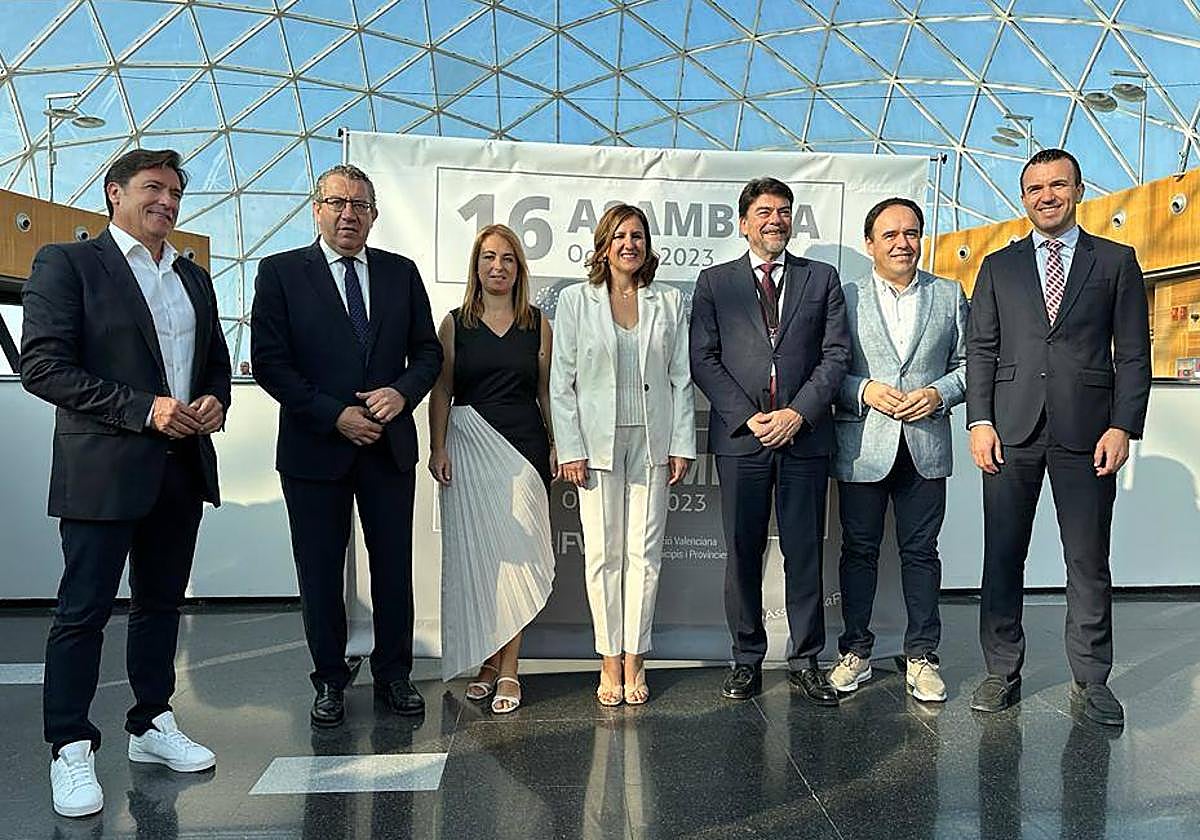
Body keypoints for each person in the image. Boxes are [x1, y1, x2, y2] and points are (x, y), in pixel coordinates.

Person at [20, 148, 231, 817]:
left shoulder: (193, 277)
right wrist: (145, 409)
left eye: (175, 193)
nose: (166, 202)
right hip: (104, 470)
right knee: (82, 613)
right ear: (115, 193)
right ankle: (70, 745)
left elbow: (215, 362)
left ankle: (150, 722)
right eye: (152, 188)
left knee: (160, 606)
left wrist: (214, 400)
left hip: (181, 466)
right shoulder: (69, 264)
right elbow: (42, 367)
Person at [251, 164, 442, 727]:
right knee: (319, 571)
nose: (348, 214)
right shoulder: (281, 273)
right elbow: (270, 363)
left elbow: (427, 352)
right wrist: (335, 416)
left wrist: (401, 393)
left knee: (393, 568)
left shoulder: (400, 273)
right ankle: (330, 680)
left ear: (374, 215)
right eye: (337, 202)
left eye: (360, 205)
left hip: (387, 444)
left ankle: (394, 674)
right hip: (314, 449)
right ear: (317, 210)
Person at [966, 148, 1151, 725]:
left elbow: (1134, 353)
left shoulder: (1115, 261)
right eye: (1035, 188)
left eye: (1058, 185)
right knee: (1003, 555)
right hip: (1010, 431)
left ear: (1078, 190)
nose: (1046, 196)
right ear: (1023, 198)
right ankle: (1001, 670)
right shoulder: (998, 266)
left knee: (1088, 559)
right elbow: (982, 349)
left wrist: (1123, 425)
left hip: (1089, 431)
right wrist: (979, 421)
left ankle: (1092, 680)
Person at [690, 177, 850, 705]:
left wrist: (798, 413)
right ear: (744, 223)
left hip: (805, 438)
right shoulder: (714, 283)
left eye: (783, 211)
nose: (775, 220)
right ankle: (746, 659)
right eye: (764, 212)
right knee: (743, 551)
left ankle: (806, 660)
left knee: (804, 552)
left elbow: (835, 356)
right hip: (743, 440)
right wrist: (750, 418)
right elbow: (703, 359)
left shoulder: (821, 278)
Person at [550, 203, 695, 706]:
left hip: (653, 442)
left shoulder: (668, 300)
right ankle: (608, 658)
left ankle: (636, 656)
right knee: (602, 555)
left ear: (647, 245)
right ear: (603, 245)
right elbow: (561, 382)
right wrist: (570, 447)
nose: (628, 244)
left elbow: (681, 378)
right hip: (595, 446)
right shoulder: (576, 300)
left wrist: (681, 443)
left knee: (644, 555)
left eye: (637, 236)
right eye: (619, 236)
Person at [829, 197, 968, 702]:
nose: (902, 243)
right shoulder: (845, 297)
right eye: (889, 235)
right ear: (869, 244)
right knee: (858, 551)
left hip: (926, 445)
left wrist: (939, 393)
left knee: (922, 553)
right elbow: (827, 369)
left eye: (910, 233)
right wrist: (864, 390)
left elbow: (971, 364)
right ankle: (855, 652)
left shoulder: (949, 294)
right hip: (864, 446)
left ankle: (922, 656)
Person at [428, 223, 557, 714]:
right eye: (488, 257)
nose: (497, 266)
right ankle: (487, 663)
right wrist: (437, 447)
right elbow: (442, 389)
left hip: (523, 450)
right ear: (476, 266)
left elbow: (546, 392)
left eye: (507, 258)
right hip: (468, 448)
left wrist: (556, 444)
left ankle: (510, 669)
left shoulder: (537, 324)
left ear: (518, 268)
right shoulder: (454, 323)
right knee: (481, 563)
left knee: (518, 560)